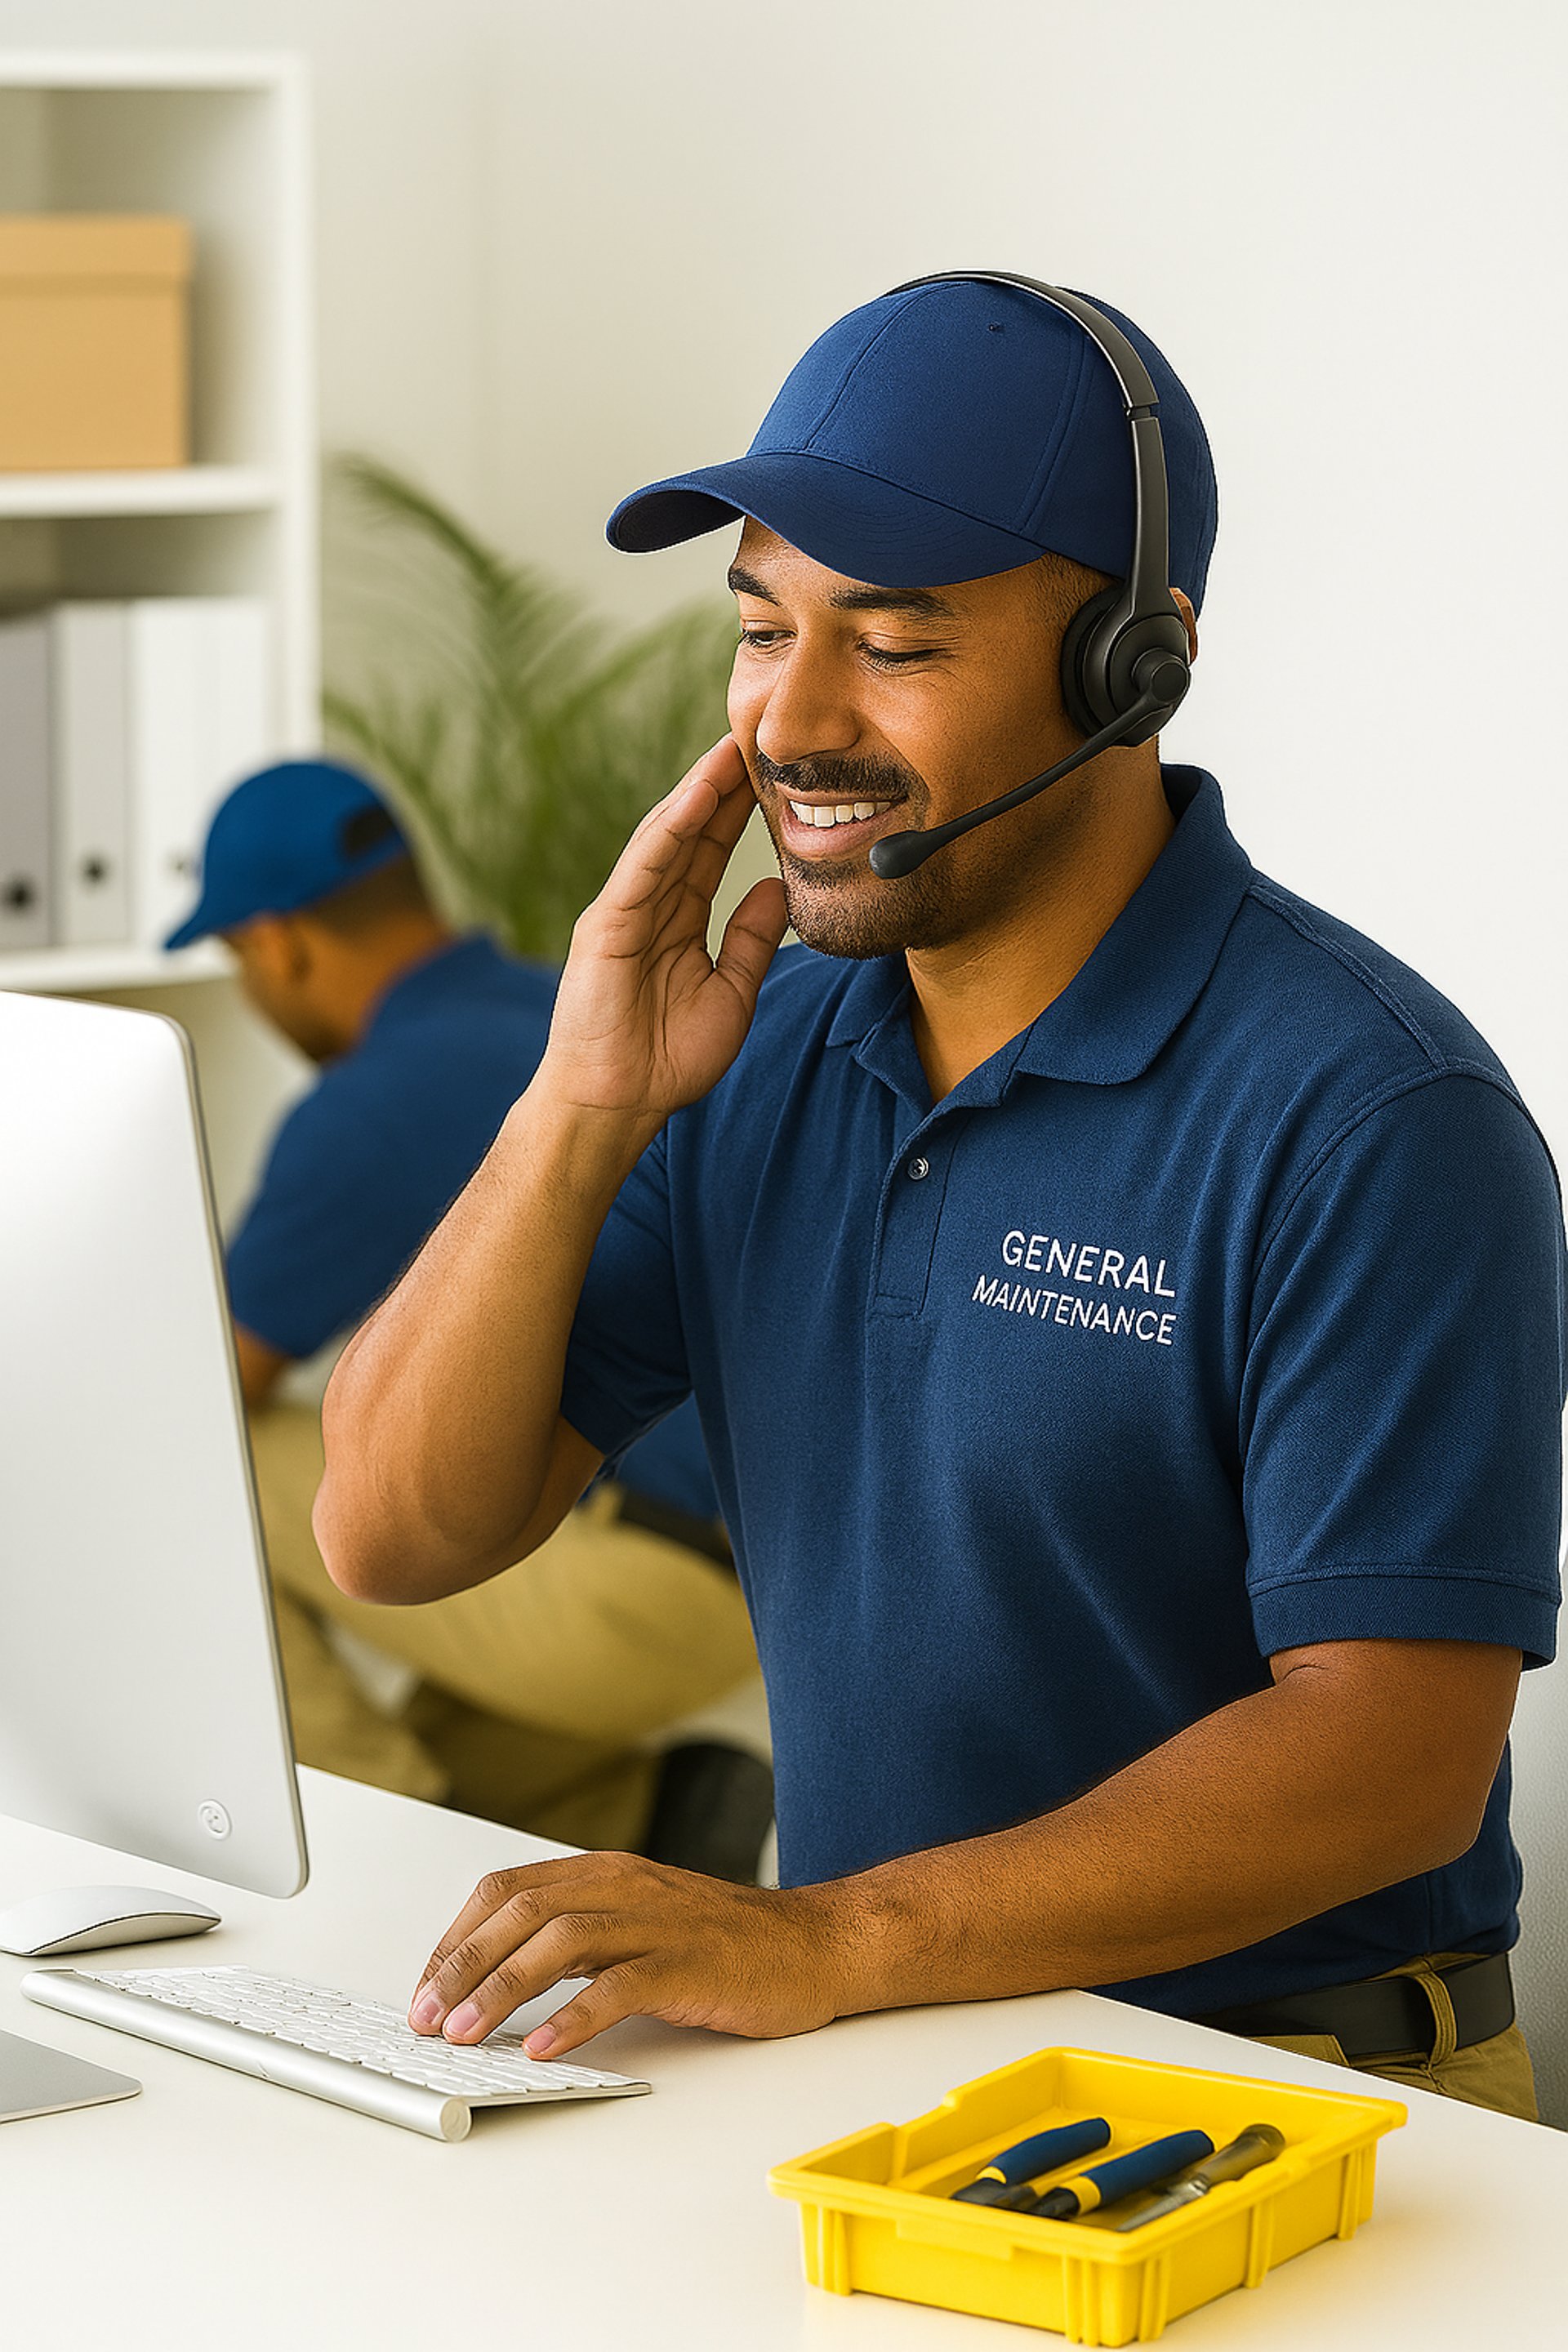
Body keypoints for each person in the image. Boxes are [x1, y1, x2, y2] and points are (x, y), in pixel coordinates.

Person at [315, 278, 1565, 2116]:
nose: (788, 724)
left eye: (891, 644)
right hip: (880, 2062)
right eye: (761, 629)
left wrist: (824, 1941)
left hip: (1299, 2101)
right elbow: (396, 1533)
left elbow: (1388, 1759)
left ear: (1133, 663)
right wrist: (582, 1100)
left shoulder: (1375, 1114)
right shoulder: (754, 1051)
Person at [167, 758, 763, 1855]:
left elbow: (204, 1390)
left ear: (276, 944)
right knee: (451, 1765)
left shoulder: (368, 1106)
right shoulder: (567, 1002)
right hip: (756, 1582)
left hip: (622, 1587)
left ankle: (358, 1858)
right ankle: (652, 1817)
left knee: (202, 1462)